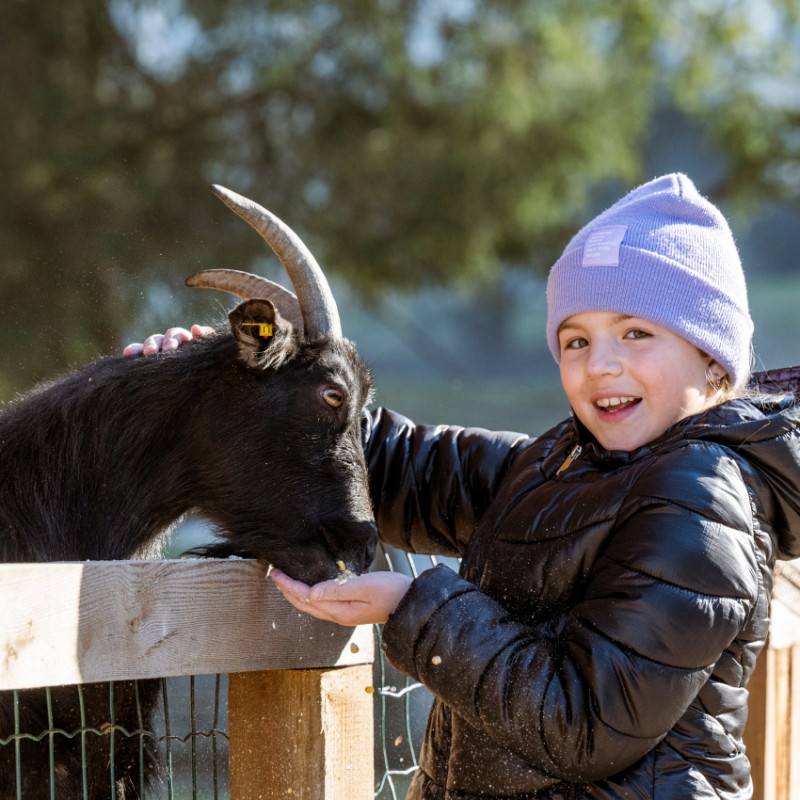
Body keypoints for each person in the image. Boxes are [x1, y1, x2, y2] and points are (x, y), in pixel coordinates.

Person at [128, 173, 800, 799]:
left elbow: (583, 724)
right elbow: (402, 469)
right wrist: (257, 393)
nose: (602, 365)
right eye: (575, 341)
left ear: (711, 356)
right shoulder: (558, 465)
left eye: (636, 333)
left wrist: (413, 606)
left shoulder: (701, 500)